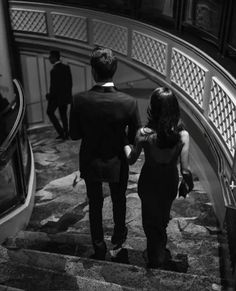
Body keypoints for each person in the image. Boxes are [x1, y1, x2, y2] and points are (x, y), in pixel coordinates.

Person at [69, 47, 141, 260]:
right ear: (115, 70)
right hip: (117, 159)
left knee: (95, 203)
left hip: (90, 158)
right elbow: (135, 135)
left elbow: (74, 134)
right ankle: (118, 236)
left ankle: (98, 244)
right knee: (119, 200)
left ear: (93, 71)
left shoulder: (79, 100)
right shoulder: (128, 102)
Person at [124, 87, 193, 269]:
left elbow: (131, 160)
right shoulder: (183, 135)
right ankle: (160, 249)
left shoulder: (143, 133)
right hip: (169, 181)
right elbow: (185, 171)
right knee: (163, 217)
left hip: (149, 181)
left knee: (149, 220)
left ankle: (156, 256)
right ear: (174, 108)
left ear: (152, 108)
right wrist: (187, 184)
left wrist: (125, 145)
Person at [46, 50, 72, 140]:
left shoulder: (53, 71)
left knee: (49, 112)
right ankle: (66, 133)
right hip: (65, 97)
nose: (49, 58)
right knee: (63, 115)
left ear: (54, 57)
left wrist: (49, 96)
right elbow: (70, 83)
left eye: (50, 57)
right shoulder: (66, 67)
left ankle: (61, 133)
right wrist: (68, 95)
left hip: (56, 98)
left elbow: (54, 87)